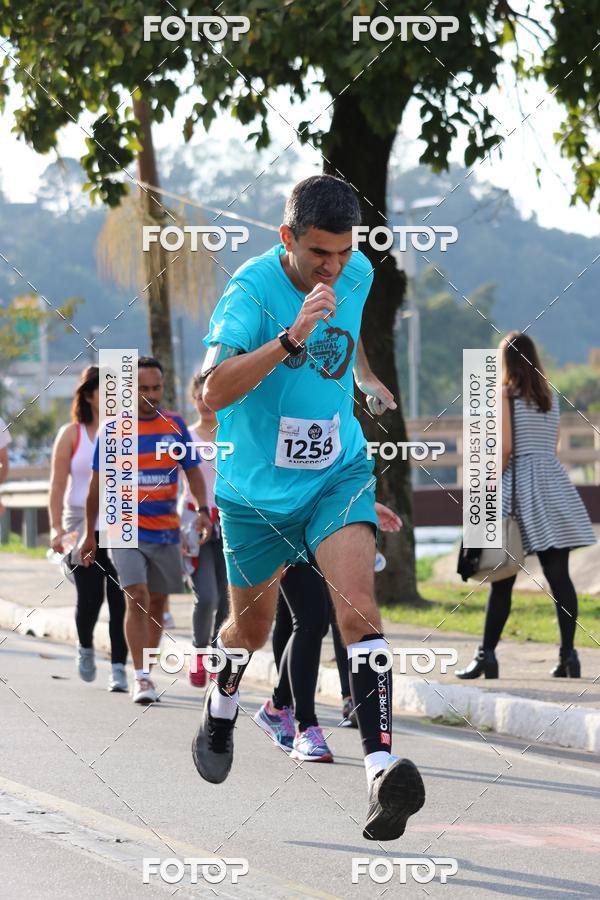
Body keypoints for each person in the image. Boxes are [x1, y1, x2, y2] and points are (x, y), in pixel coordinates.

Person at [192, 174, 426, 842]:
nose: (333, 267)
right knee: (251, 629)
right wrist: (292, 337)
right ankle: (222, 704)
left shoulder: (357, 274)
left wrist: (365, 376)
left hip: (336, 474)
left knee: (359, 611)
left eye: (344, 251)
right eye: (319, 253)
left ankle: (379, 772)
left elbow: (346, 331)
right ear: (286, 238)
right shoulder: (250, 290)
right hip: (255, 493)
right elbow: (210, 392)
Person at [457, 332, 596, 681]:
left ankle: (486, 655)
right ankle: (568, 656)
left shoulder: (503, 395)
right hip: (552, 485)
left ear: (505, 362)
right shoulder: (549, 397)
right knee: (560, 577)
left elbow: (505, 448)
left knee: (502, 578)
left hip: (516, 488)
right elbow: (553, 445)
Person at [80, 357, 213, 704]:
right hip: (123, 526)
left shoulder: (175, 424)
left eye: (156, 388)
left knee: (156, 602)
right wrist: (88, 534)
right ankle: (139, 676)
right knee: (136, 595)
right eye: (143, 389)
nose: (151, 395)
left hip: (166, 530)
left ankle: (146, 670)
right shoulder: (112, 431)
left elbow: (193, 472)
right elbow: (96, 487)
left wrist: (201, 510)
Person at [255, 501, 402, 761]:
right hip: (282, 519)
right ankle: (305, 727)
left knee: (309, 620)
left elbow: (327, 476)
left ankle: (278, 708)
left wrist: (365, 504)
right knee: (309, 620)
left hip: (318, 524)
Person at [48, 366, 128, 690]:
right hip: (80, 521)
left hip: (118, 519)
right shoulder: (72, 434)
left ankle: (119, 667)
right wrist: (55, 528)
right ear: (89, 396)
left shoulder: (125, 432)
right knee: (91, 594)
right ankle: (85, 647)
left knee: (121, 596)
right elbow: (57, 485)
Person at [178, 372, 229, 687]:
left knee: (226, 599)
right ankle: (198, 654)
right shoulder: (185, 437)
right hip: (194, 523)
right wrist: (175, 529)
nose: (206, 404)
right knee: (207, 596)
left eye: (210, 397)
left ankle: (216, 656)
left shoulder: (233, 434)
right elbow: (171, 485)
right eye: (200, 398)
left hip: (230, 523)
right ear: (193, 400)